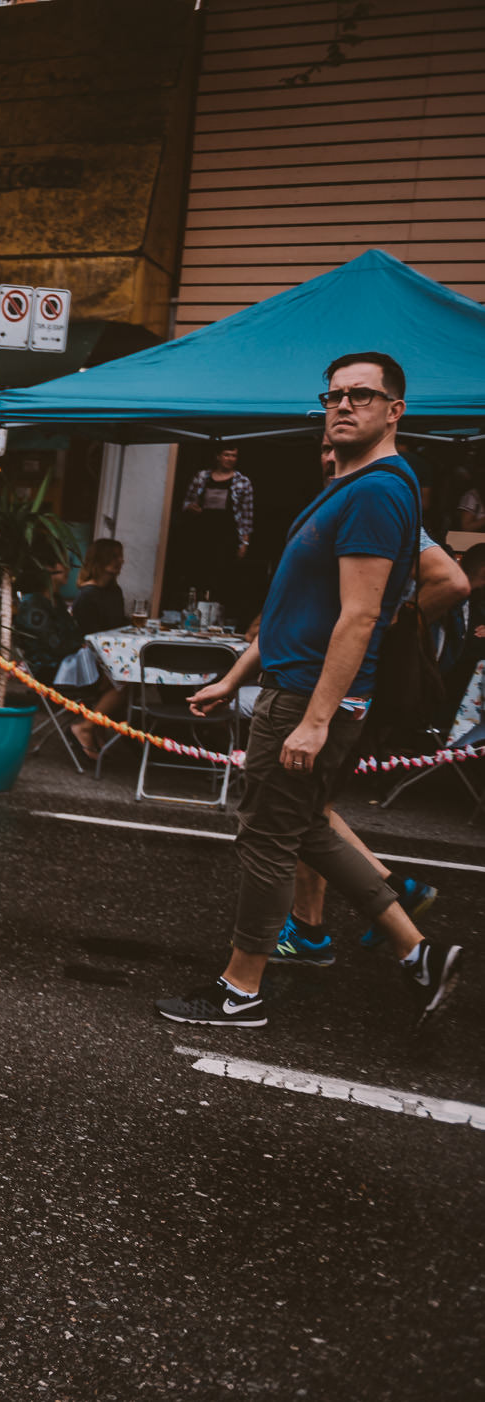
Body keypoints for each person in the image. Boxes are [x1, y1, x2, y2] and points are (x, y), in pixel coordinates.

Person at [157, 352, 461, 1031]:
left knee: (266, 838)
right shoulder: (345, 487)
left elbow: (359, 615)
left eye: (362, 395)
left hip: (306, 699)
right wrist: (234, 676)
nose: (344, 405)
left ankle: (240, 991)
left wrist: (316, 719)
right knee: (307, 828)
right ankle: (416, 953)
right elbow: (300, 610)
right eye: (335, 395)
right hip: (294, 689)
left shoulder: (380, 491)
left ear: (394, 410)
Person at [268, 439, 471, 967]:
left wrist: (383, 629)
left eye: (335, 445)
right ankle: (385, 899)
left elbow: (452, 580)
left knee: (301, 813)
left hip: (341, 685)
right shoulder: (344, 501)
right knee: (313, 811)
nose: (325, 452)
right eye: (320, 444)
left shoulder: (378, 501)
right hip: (337, 680)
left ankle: (325, 930)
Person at [69, 538, 129, 761]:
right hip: (87, 662)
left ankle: (97, 727)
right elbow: (90, 640)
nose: (121, 561)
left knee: (128, 679)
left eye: (120, 556)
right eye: (114, 556)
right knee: (124, 682)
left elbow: (118, 627)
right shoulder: (87, 596)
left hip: (109, 657)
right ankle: (85, 726)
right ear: (99, 560)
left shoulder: (114, 591)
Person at [178, 446, 255, 620]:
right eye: (227, 455)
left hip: (226, 538)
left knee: (222, 579)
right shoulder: (201, 477)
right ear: (218, 456)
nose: (230, 458)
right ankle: (193, 617)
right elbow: (186, 502)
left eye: (234, 455)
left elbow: (247, 515)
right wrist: (191, 507)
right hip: (201, 536)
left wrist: (245, 543)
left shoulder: (243, 482)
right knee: (197, 576)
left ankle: (216, 621)